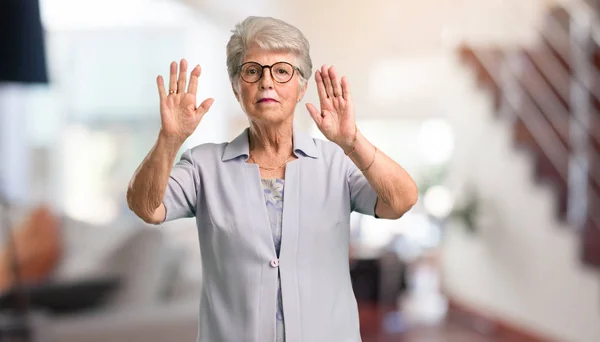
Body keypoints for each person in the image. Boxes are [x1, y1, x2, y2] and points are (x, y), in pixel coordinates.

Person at [127, 16, 418, 342]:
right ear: (237, 87)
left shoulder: (337, 162)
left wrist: (352, 141)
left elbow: (401, 201)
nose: (267, 82)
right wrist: (169, 139)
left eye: (282, 71)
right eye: (252, 71)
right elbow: (146, 207)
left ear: (301, 88)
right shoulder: (203, 165)